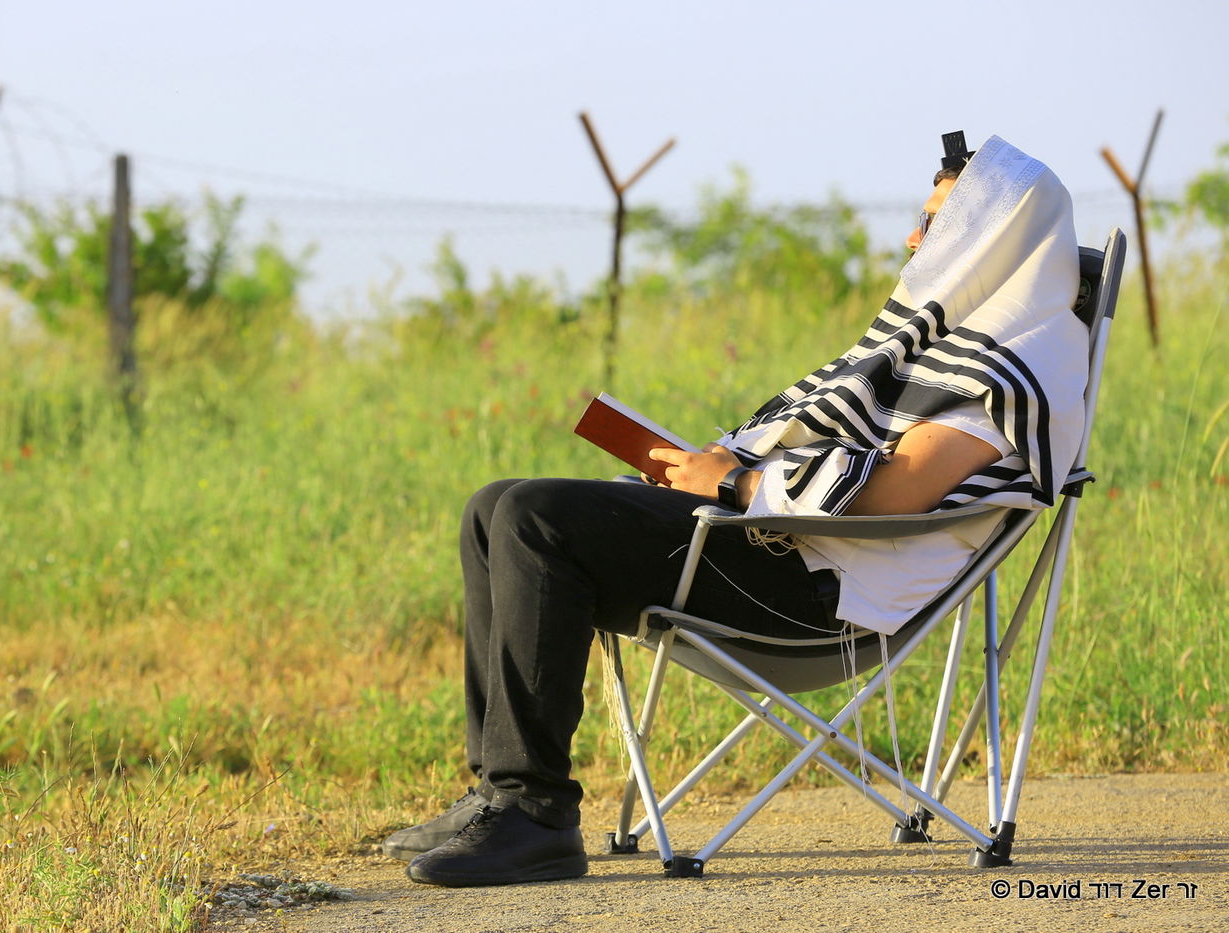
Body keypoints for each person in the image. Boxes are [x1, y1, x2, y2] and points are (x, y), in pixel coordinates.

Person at [384, 132, 1088, 887]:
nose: (914, 239)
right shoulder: (955, 340)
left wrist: (735, 485)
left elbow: (901, 491)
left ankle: (537, 815)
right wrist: (710, 471)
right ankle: (499, 791)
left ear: (990, 240)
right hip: (776, 540)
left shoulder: (1025, 362)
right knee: (490, 509)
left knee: (533, 516)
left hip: (816, 588)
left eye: (937, 223)